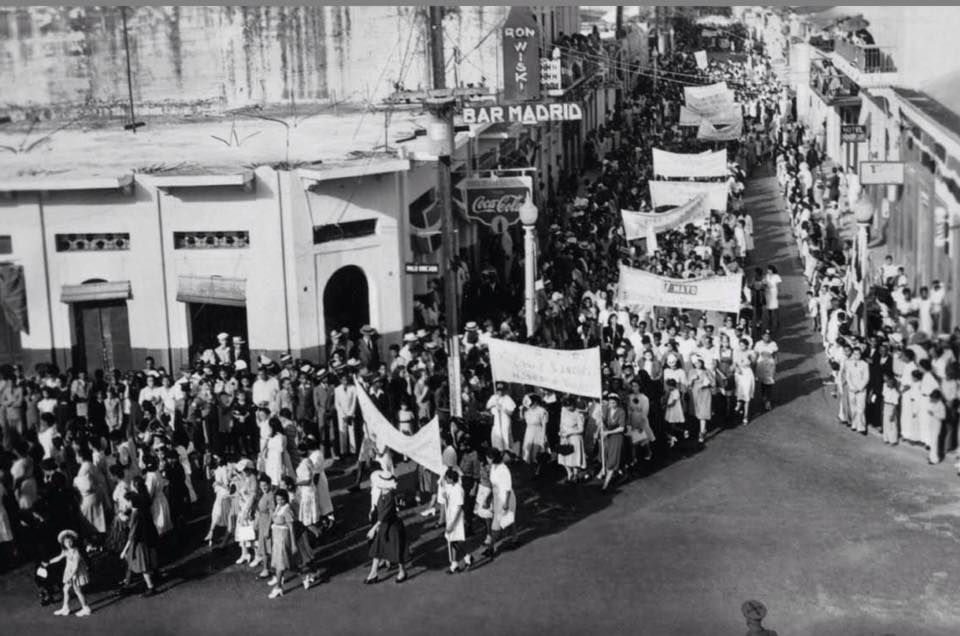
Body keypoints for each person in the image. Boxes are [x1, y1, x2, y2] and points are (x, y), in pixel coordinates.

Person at [364, 451, 407, 584]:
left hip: (392, 527)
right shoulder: (383, 494)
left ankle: (402, 571)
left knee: (397, 552)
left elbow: (383, 516)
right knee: (378, 549)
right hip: (385, 526)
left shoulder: (388, 498)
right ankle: (373, 573)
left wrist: (373, 529)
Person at [120, 477, 159, 597]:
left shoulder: (135, 515)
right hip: (146, 535)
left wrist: (124, 549)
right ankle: (130, 582)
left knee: (142, 566)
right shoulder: (143, 501)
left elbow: (132, 534)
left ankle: (150, 586)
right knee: (146, 561)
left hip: (138, 542)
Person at [42, 529, 92, 617]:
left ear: (73, 541)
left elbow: (76, 567)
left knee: (77, 590)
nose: (68, 544)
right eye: (66, 542)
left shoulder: (76, 552)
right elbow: (59, 557)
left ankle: (86, 608)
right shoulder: (65, 551)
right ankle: (66, 608)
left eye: (70, 541)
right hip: (70, 572)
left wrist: (71, 576)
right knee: (66, 590)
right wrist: (49, 562)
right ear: (63, 543)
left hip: (76, 574)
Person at [486, 447, 516, 556]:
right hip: (497, 497)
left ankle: (491, 547)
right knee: (508, 520)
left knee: (496, 525)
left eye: (488, 457)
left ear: (493, 458)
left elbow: (508, 488)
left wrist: (506, 503)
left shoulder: (503, 469)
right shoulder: (493, 467)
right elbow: (493, 485)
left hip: (505, 498)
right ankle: (515, 539)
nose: (487, 459)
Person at [440, 468, 471, 574]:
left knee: (457, 541)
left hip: (456, 519)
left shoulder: (459, 489)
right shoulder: (452, 487)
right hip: (451, 516)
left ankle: (467, 557)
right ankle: (454, 563)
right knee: (452, 540)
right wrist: (446, 497)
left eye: (447, 479)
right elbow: (450, 501)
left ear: (452, 479)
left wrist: (452, 524)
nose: (446, 480)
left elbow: (459, 509)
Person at [267, 488, 296, 598]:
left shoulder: (287, 509)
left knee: (280, 562)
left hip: (283, 537)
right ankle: (281, 578)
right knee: (280, 561)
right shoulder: (278, 507)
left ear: (285, 499)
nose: (279, 501)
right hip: (276, 536)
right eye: (277, 499)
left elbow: (291, 527)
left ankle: (278, 587)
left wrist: (293, 544)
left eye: (282, 499)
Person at [600, 392, 626, 490]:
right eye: (610, 403)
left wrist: (608, 432)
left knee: (612, 461)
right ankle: (622, 472)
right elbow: (604, 422)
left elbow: (622, 428)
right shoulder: (607, 410)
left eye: (613, 403)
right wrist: (601, 419)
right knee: (607, 457)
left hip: (617, 438)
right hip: (609, 438)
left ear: (617, 403)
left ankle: (605, 485)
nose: (611, 405)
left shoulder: (621, 412)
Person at [558, 396, 586, 482]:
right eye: (566, 406)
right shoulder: (564, 412)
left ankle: (575, 474)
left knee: (574, 458)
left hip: (575, 437)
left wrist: (570, 433)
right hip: (564, 437)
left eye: (570, 406)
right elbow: (562, 424)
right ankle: (569, 473)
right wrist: (561, 432)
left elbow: (581, 429)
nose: (568, 408)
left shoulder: (578, 414)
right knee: (564, 456)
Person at [844, 347, 870, 435]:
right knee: (853, 408)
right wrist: (852, 387)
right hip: (851, 389)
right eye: (854, 354)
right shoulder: (849, 363)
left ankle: (861, 427)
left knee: (861, 408)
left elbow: (866, 378)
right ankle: (854, 424)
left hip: (861, 390)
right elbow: (848, 376)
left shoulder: (864, 364)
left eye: (858, 354)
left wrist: (859, 388)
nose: (856, 356)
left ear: (861, 354)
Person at [521, 393, 549, 473]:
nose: (530, 405)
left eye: (532, 403)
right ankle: (532, 469)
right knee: (528, 452)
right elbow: (523, 419)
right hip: (529, 432)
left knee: (537, 452)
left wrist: (543, 437)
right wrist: (521, 410)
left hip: (538, 432)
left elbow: (544, 425)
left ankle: (538, 469)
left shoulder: (542, 411)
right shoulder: (527, 410)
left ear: (536, 402)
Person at [689, 357, 714, 444]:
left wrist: (707, 383)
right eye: (696, 363)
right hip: (695, 394)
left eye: (699, 363)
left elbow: (713, 383)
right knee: (697, 413)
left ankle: (702, 433)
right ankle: (702, 429)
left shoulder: (707, 371)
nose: (698, 365)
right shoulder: (692, 371)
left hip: (705, 394)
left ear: (702, 363)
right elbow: (689, 384)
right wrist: (692, 379)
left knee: (703, 414)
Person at [753, 330, 779, 412]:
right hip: (761, 365)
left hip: (770, 366)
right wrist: (753, 365)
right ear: (762, 336)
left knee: (769, 383)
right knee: (762, 382)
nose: (767, 337)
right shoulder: (758, 344)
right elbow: (755, 355)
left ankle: (768, 401)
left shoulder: (773, 344)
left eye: (768, 336)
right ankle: (763, 396)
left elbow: (775, 356)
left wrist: (776, 365)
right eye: (765, 336)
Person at [486, 383, 516, 453]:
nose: (500, 392)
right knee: (497, 437)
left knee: (505, 438)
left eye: (502, 390)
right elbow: (487, 407)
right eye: (498, 390)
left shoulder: (507, 398)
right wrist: (493, 403)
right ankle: (498, 453)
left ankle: (507, 453)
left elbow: (511, 413)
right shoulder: (493, 397)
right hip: (496, 422)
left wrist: (502, 408)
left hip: (505, 422)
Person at [881, 373, 900, 445]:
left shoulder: (895, 392)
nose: (887, 384)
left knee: (892, 424)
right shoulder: (886, 390)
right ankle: (886, 438)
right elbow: (884, 399)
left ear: (893, 384)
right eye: (887, 382)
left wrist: (893, 414)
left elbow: (895, 405)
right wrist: (883, 408)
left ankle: (893, 440)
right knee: (885, 423)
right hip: (886, 406)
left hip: (891, 408)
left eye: (889, 383)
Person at [763, 265, 783, 333]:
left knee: (774, 307)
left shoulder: (776, 276)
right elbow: (764, 282)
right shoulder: (767, 276)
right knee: (768, 307)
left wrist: (777, 292)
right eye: (768, 270)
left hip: (774, 292)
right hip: (767, 292)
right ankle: (770, 319)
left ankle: (777, 321)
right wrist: (764, 284)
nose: (768, 271)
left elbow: (778, 285)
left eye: (770, 270)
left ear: (773, 270)